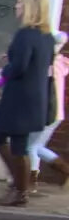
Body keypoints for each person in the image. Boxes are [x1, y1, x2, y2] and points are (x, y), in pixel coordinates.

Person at [0, 0, 56, 207]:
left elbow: (20, 66)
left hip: (19, 98)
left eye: (20, 2)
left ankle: (20, 190)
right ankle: (20, 185)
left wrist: (1, 78)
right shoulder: (46, 37)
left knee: (15, 144)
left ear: (29, 7)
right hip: (34, 97)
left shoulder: (24, 34)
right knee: (1, 140)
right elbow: (39, 63)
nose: (16, 5)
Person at [27, 30, 69, 185]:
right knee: (37, 146)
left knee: (29, 146)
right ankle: (65, 170)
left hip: (46, 111)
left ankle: (30, 181)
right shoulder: (60, 64)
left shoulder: (47, 65)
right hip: (57, 113)